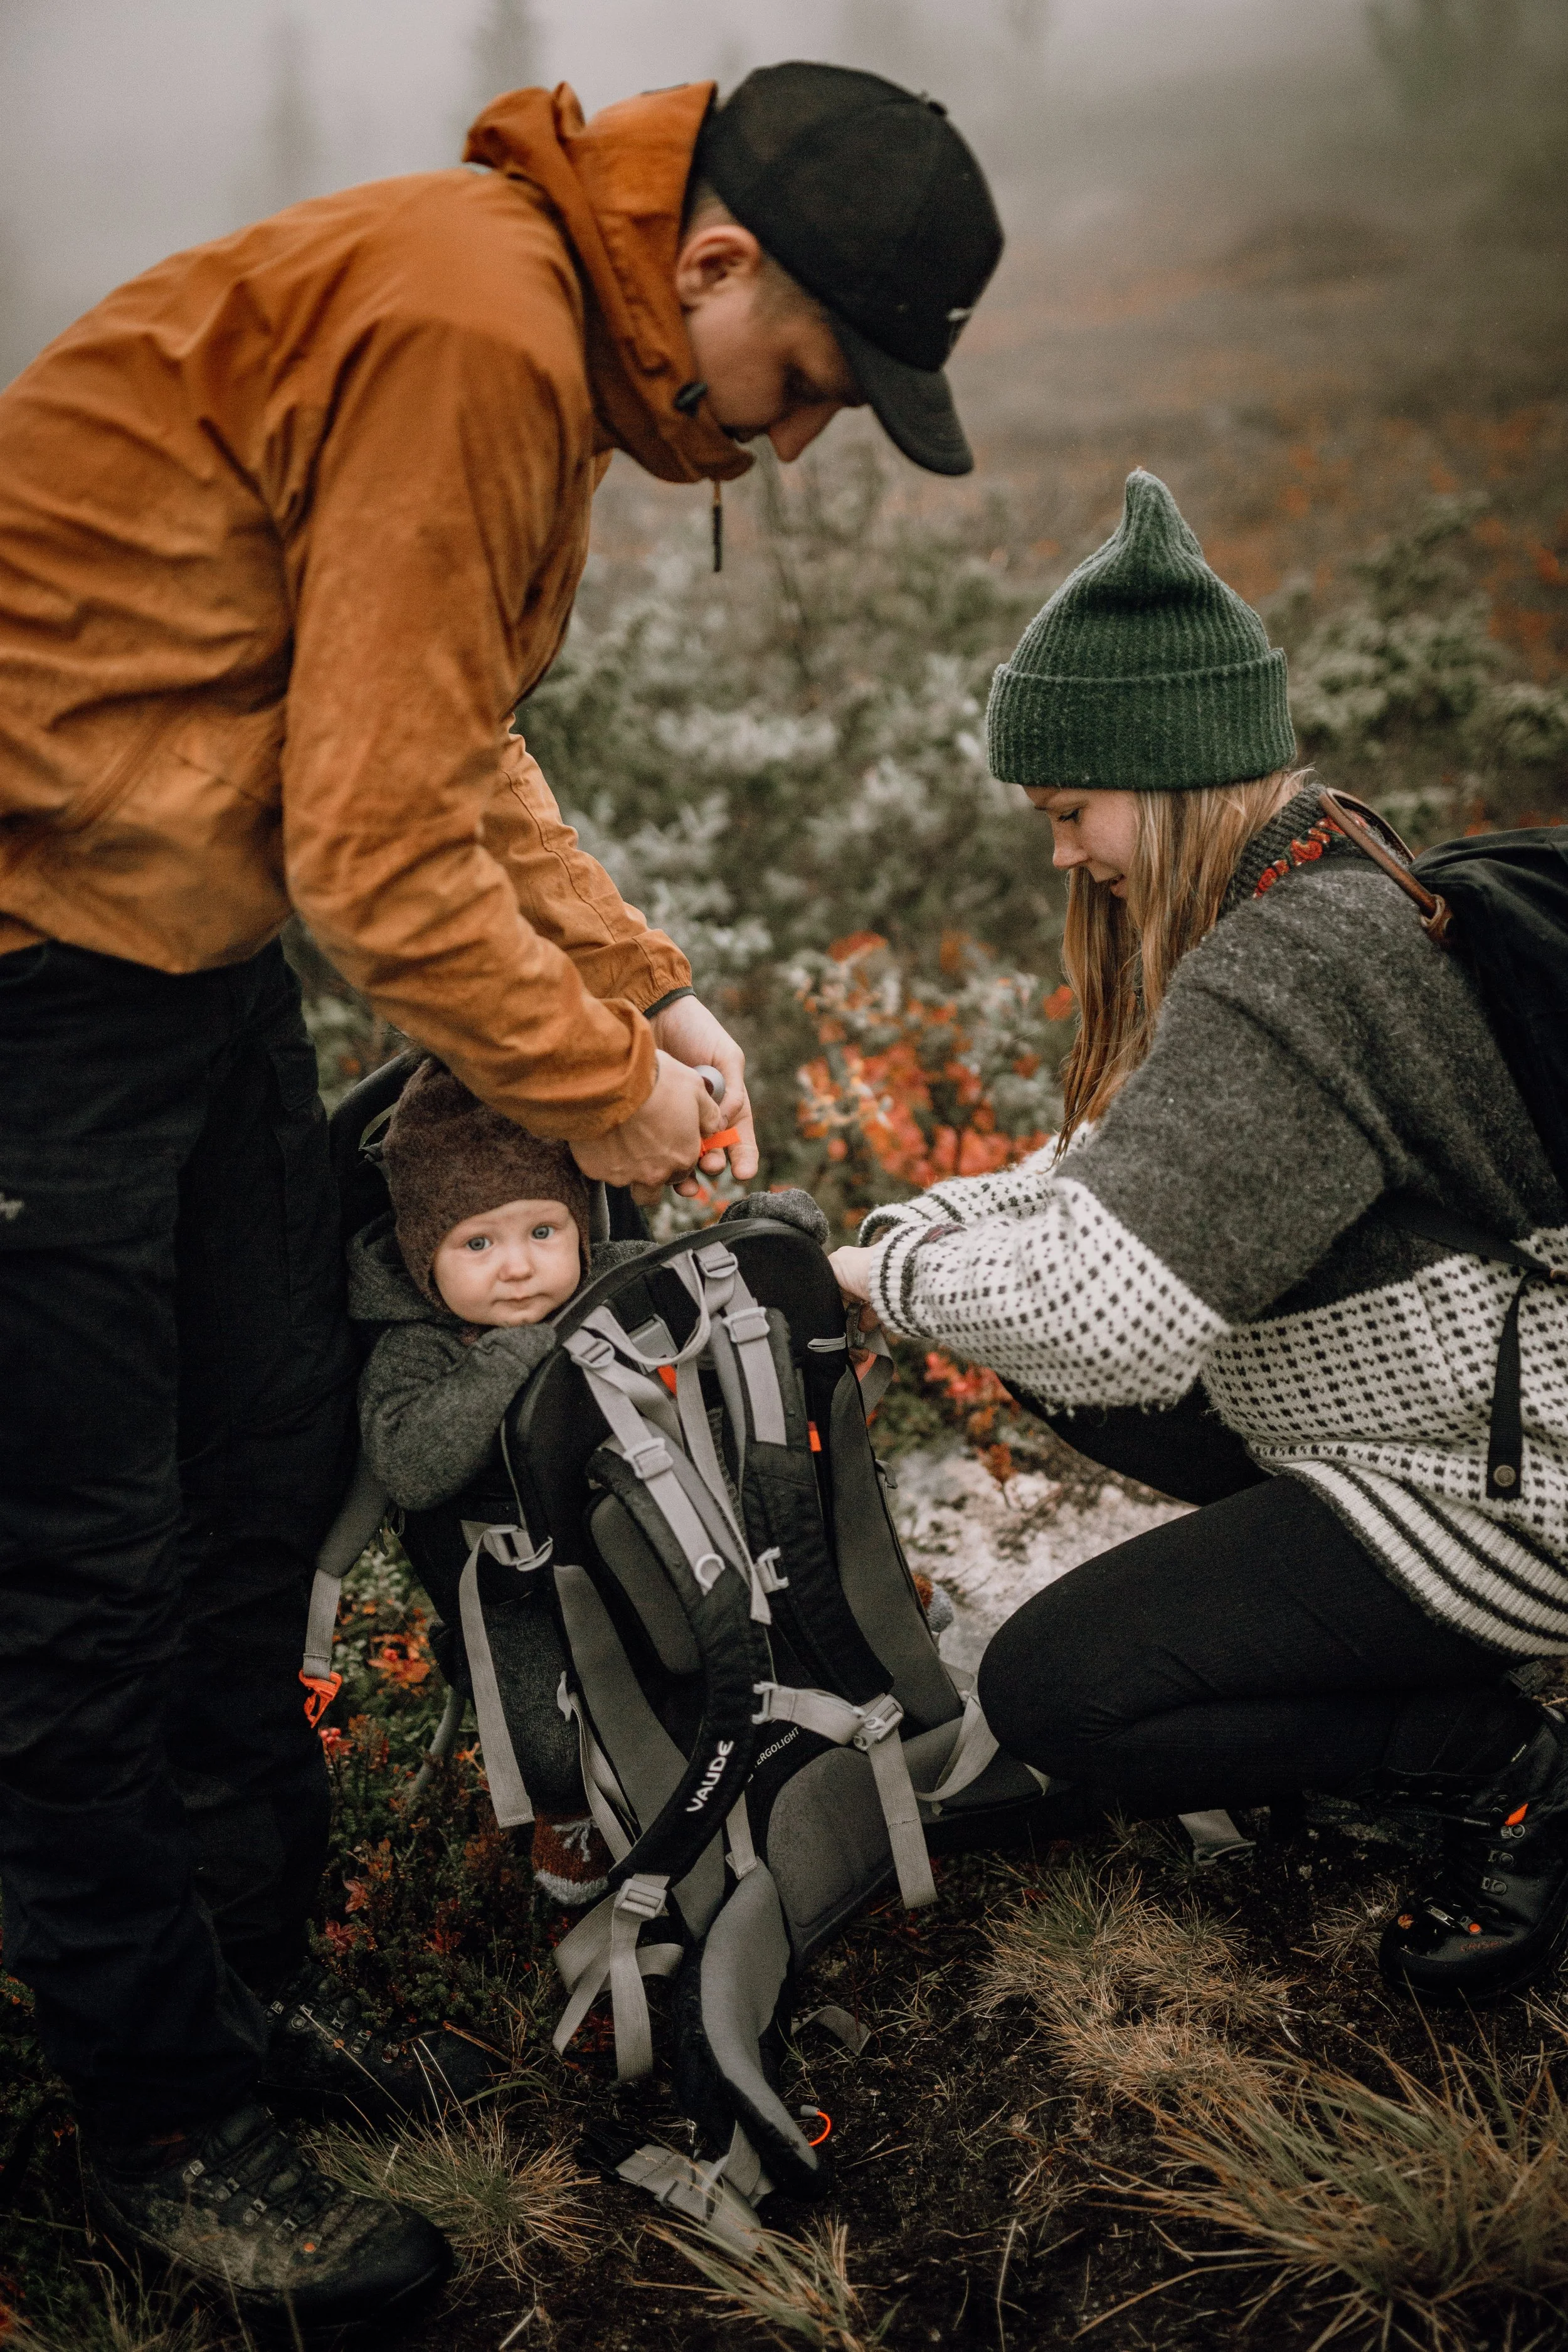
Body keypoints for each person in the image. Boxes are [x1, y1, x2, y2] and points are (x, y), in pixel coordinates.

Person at [0, 62, 1003, 2325]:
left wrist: (645, 991)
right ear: (719, 266)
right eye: (814, 384)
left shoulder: (528, 323)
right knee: (84, 1571)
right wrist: (602, 1096)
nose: (796, 437)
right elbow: (376, 844)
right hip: (35, 972)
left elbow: (438, 742)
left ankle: (237, 2004)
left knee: (265, 1486)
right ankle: (163, 2126)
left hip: (187, 952)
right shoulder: (478, 325)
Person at [830, 470, 1568, 2010]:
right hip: (1470, 1415)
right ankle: (1398, 1651)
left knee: (1061, 1693)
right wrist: (936, 1221)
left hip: (1513, 1482)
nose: (1060, 857)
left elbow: (1105, 1313)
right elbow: (1111, 1174)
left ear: (1159, 781)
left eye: (1069, 813)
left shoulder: (1276, 977)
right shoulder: (1326, 881)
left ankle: (1501, 1766)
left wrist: (874, 1277)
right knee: (1057, 1351)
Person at [349, 1056, 831, 1906]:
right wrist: (524, 1352)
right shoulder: (416, 1345)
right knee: (548, 1732)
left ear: (577, 1225)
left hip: (656, 1528)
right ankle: (567, 1813)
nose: (518, 1266)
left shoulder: (611, 1271)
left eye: (543, 1231)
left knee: (734, 1584)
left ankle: (826, 1625)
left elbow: (705, 1284)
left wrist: (766, 1234)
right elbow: (409, 1464)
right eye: (478, 1242)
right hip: (522, 1583)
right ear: (425, 1255)